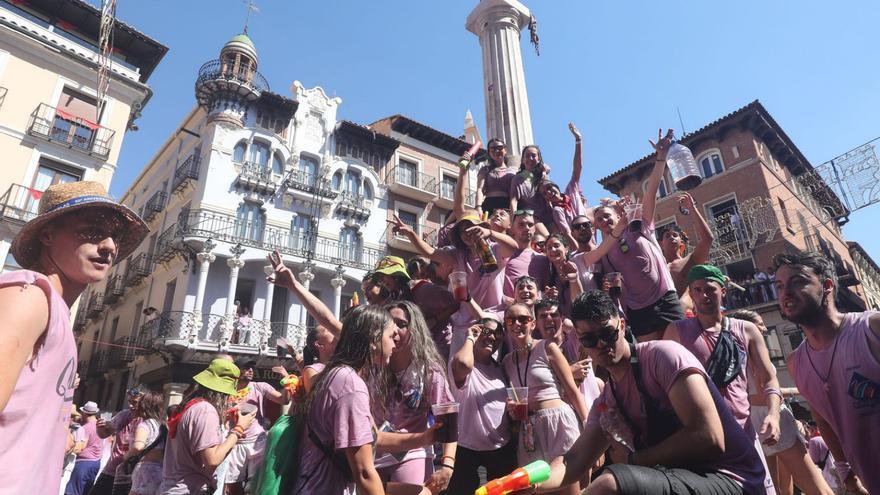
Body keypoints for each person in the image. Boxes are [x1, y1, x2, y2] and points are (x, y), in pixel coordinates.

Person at [533, 290, 766, 494]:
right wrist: (528, 483)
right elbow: (572, 460)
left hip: (732, 479)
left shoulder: (662, 357)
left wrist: (634, 461)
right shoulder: (607, 400)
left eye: (607, 333)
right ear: (582, 343)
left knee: (608, 485)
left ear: (622, 326)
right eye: (590, 339)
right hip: (682, 477)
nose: (601, 344)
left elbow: (709, 437)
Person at [0, 181, 148, 494]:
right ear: (48, 235)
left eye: (115, 237)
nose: (109, 246)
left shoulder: (55, 312)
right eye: (93, 231)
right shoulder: (29, 295)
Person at [664, 264, 790, 494]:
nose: (704, 295)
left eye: (710, 289)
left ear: (723, 290)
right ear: (690, 294)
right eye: (698, 290)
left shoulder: (747, 330)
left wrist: (774, 415)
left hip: (744, 435)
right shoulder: (676, 332)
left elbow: (770, 379)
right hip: (703, 438)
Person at [290, 304, 434, 495]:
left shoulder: (340, 374)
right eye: (390, 336)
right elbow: (364, 473)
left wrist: (427, 438)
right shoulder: (351, 385)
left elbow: (375, 437)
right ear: (374, 338)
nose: (394, 343)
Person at [775, 251, 879, 494]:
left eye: (798, 281)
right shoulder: (796, 362)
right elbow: (824, 419)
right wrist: (846, 474)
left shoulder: (871, 329)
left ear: (827, 286)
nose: (785, 293)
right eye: (779, 286)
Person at [727, 308, 833, 495]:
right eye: (760, 324)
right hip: (770, 417)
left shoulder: (736, 354)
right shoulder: (752, 351)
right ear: (748, 326)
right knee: (813, 484)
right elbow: (762, 391)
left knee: (777, 489)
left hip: (754, 420)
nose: (765, 329)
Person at [594, 130, 684, 341]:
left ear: (617, 215)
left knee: (684, 353)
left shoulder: (639, 225)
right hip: (638, 309)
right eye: (599, 220)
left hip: (665, 298)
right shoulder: (605, 250)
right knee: (654, 361)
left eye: (607, 216)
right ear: (597, 227)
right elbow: (611, 281)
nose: (605, 221)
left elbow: (651, 190)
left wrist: (661, 157)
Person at [502, 303, 587, 495]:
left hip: (558, 422)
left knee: (569, 486)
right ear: (506, 326)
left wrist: (588, 425)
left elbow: (572, 390)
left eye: (523, 319)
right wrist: (512, 408)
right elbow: (514, 396)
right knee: (537, 489)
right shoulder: (507, 362)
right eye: (511, 320)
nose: (517, 323)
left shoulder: (547, 347)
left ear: (532, 323)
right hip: (529, 430)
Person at [373, 301, 456, 490]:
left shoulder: (429, 371)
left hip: (413, 452)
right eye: (388, 323)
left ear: (415, 329)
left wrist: (447, 465)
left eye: (401, 324)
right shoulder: (371, 366)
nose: (394, 330)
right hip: (373, 453)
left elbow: (448, 419)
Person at [159, 359, 257, 494]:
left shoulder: (191, 405)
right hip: (189, 490)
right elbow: (213, 460)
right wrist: (239, 429)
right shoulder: (205, 410)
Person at [447, 316, 517, 494]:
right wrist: (470, 336)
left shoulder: (500, 368)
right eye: (486, 331)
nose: (492, 338)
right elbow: (463, 364)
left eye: (498, 335)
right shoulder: (461, 360)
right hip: (466, 448)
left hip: (500, 447)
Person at [224, 359, 290, 495]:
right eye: (246, 367)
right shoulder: (225, 390)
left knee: (257, 483)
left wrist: (286, 379)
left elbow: (284, 400)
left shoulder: (260, 386)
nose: (250, 370)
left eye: (251, 368)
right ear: (236, 370)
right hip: (235, 442)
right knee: (232, 485)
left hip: (257, 442)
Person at [541, 123, 591, 250]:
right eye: (545, 193)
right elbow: (566, 232)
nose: (549, 192)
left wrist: (578, 140)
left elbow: (577, 168)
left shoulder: (571, 190)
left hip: (591, 238)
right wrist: (578, 250)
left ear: (557, 187)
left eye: (550, 188)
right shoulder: (557, 211)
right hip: (578, 247)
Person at [92, 387, 145, 495]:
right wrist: (100, 428)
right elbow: (104, 434)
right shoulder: (125, 415)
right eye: (129, 401)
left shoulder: (148, 420)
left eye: (134, 402)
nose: (131, 406)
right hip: (112, 470)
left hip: (132, 475)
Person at [125, 391, 166, 495]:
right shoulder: (163, 425)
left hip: (145, 470)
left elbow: (138, 447)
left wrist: (127, 456)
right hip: (160, 469)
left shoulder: (144, 425)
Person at [502, 210, 551, 298]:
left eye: (530, 225)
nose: (527, 228)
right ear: (512, 228)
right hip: (507, 310)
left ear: (535, 229)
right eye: (521, 224)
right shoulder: (502, 254)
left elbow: (545, 289)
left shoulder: (543, 259)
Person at [509, 144, 553, 232]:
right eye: (527, 156)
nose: (530, 159)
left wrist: (544, 173)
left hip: (549, 217)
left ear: (539, 158)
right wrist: (513, 222)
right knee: (547, 237)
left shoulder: (543, 176)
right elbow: (513, 201)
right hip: (531, 218)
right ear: (522, 160)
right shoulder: (517, 179)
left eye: (533, 155)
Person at [66, 402, 104, 495]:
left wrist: (71, 443)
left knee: (72, 492)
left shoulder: (84, 429)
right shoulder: (100, 426)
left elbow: (79, 449)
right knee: (85, 491)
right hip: (96, 463)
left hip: (83, 463)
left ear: (84, 413)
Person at [474, 138, 516, 213]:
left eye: (499, 148)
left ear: (505, 150)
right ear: (489, 153)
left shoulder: (514, 170)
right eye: (492, 149)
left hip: (509, 206)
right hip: (490, 206)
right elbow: (480, 189)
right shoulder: (485, 169)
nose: (496, 151)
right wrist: (478, 206)